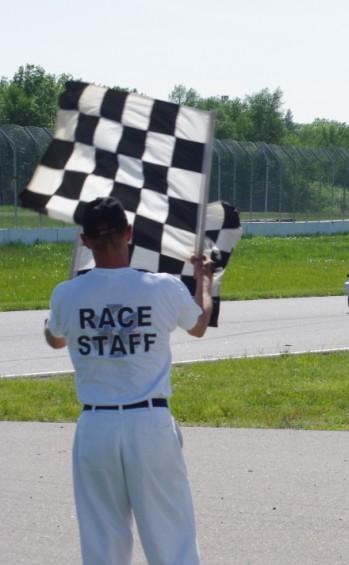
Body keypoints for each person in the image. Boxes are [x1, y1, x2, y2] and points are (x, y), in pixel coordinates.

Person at [43, 196, 213, 565]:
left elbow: (55, 338)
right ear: (129, 234)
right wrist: (205, 282)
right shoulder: (163, 287)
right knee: (170, 534)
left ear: (85, 241)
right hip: (149, 421)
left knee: (102, 537)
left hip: (95, 424)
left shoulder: (66, 293)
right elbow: (199, 325)